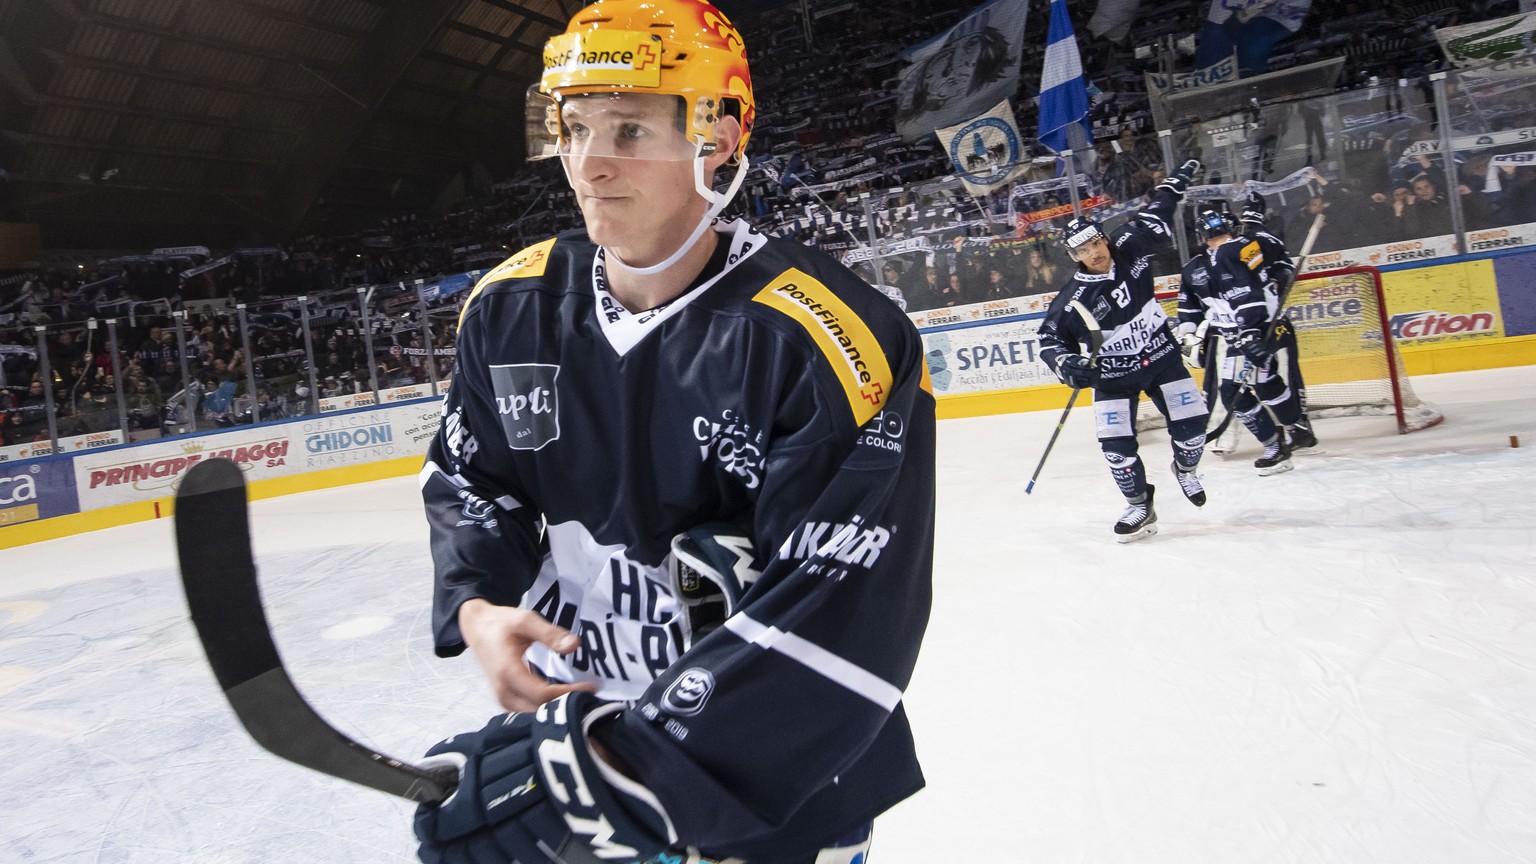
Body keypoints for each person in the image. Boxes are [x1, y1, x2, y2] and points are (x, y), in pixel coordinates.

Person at [414, 2, 937, 863]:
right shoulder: (509, 308)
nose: (589, 166)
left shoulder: (830, 337)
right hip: (586, 733)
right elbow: (473, 480)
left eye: (628, 129)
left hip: (776, 783)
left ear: (719, 137)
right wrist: (479, 603)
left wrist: (629, 767)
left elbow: (842, 599)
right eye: (574, 128)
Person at [1037, 159, 1210, 542]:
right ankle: (1139, 506)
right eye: (1082, 250)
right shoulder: (1071, 300)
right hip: (1113, 377)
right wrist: (1068, 366)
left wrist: (1176, 181)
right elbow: (1049, 340)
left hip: (1162, 358)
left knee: (1194, 428)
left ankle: (1185, 469)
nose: (1094, 253)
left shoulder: (1131, 244)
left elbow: (1159, 209)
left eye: (1096, 242)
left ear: (1104, 238)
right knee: (1116, 449)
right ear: (1074, 257)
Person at [1174, 202, 1307, 477]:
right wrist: (1188, 339)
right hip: (1249, 331)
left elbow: (1244, 293)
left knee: (1235, 391)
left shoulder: (1232, 251)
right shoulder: (1212, 260)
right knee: (1264, 382)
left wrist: (1248, 333)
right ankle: (1296, 429)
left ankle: (1276, 446)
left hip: (1254, 330)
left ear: (1199, 236)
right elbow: (1190, 310)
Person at [1237, 192, 1315, 451]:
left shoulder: (1240, 241)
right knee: (1281, 377)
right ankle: (1298, 427)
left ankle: (1294, 428)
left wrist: (1274, 282)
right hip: (1273, 322)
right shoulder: (1267, 239)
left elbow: (1282, 273)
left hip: (1259, 324)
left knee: (1270, 378)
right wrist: (1276, 282)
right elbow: (1286, 272)